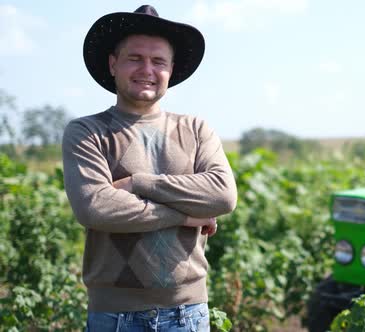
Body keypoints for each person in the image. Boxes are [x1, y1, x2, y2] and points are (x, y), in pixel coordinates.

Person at [62, 5, 237, 331]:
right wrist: (186, 215)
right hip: (113, 317)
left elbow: (222, 196)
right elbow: (96, 208)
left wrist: (138, 183)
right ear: (113, 64)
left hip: (187, 314)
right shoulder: (88, 132)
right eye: (134, 58)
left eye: (158, 61)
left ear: (171, 69)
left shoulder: (196, 129)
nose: (147, 69)